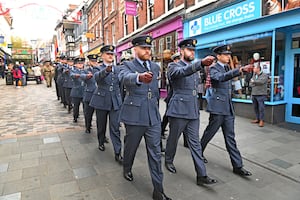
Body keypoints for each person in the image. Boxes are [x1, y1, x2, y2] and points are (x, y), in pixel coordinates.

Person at [119, 35, 171, 200]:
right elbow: (124, 78)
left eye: (149, 48)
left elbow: (155, 92)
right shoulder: (127, 65)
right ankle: (127, 167)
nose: (148, 51)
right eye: (144, 48)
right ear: (135, 49)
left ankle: (158, 190)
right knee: (130, 147)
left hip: (153, 117)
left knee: (155, 154)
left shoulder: (155, 67)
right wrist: (139, 78)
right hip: (134, 115)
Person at [164, 38, 217, 186]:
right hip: (179, 110)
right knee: (173, 139)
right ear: (182, 51)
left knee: (195, 144)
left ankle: (202, 175)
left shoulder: (195, 68)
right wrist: (200, 64)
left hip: (193, 111)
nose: (192, 52)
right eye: (189, 50)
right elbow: (181, 73)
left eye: (193, 50)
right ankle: (168, 160)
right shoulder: (173, 66)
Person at [200, 44, 252, 177]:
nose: (228, 57)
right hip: (217, 108)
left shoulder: (228, 67)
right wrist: (239, 70)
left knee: (230, 138)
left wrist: (239, 88)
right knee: (209, 133)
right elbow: (219, 78)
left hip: (228, 108)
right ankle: (198, 152)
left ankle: (237, 166)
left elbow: (230, 81)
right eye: (226, 54)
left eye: (229, 54)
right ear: (219, 56)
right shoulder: (213, 68)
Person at [89, 45, 123, 164]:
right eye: (108, 54)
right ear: (102, 55)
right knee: (101, 124)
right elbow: (97, 78)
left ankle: (118, 152)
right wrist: (106, 70)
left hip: (115, 101)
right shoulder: (97, 68)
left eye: (111, 54)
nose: (110, 56)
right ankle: (101, 141)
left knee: (115, 127)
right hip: (101, 100)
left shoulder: (118, 69)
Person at [81, 54, 98, 133]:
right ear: (89, 62)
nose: (94, 62)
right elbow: (82, 76)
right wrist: (87, 76)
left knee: (100, 116)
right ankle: (88, 126)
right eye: (92, 61)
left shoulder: (99, 69)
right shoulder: (85, 70)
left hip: (98, 94)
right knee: (88, 113)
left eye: (95, 61)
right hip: (89, 94)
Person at [70, 57, 85, 123]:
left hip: (84, 91)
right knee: (76, 106)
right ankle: (75, 117)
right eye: (79, 63)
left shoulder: (86, 70)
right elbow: (72, 75)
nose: (80, 65)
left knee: (86, 108)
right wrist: (79, 75)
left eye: (81, 63)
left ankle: (87, 120)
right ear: (75, 64)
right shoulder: (73, 71)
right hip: (76, 91)